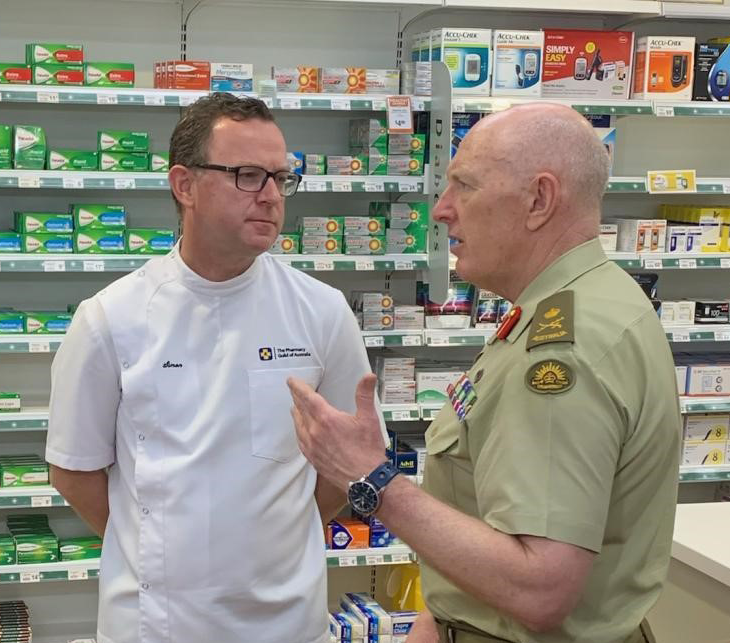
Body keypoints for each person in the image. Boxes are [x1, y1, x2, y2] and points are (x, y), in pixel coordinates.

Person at [288, 103, 680, 643]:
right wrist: (437, 620)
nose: (442, 211)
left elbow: (540, 589)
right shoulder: (580, 303)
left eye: (464, 186)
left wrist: (373, 479)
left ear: (539, 200)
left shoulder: (560, 352)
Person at [46, 93, 378, 643]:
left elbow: (346, 466)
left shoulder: (321, 311)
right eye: (248, 175)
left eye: (281, 177)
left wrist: (271, 547)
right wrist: (158, 554)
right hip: (154, 624)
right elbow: (74, 472)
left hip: (288, 622)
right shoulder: (111, 318)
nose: (271, 196)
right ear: (185, 186)